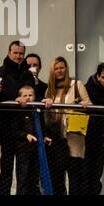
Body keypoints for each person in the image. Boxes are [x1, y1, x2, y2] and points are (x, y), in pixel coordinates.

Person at [0, 40, 36, 195]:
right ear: (9, 52)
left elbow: (32, 94)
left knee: (25, 171)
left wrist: (25, 99)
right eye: (15, 53)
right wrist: (11, 97)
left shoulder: (28, 74)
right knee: (6, 169)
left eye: (21, 53)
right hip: (6, 127)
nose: (18, 56)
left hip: (25, 127)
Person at [42, 56, 89, 196]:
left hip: (74, 138)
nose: (59, 70)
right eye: (56, 68)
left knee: (75, 178)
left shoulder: (77, 85)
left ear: (66, 68)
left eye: (62, 67)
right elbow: (45, 117)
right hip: (57, 140)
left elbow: (89, 105)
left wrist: (84, 105)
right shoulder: (49, 90)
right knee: (58, 179)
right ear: (52, 71)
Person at [83, 63, 104, 195]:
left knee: (98, 172)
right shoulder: (88, 87)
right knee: (87, 172)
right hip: (90, 135)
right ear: (98, 76)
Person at [10, 84, 44, 195]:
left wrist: (46, 136)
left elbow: (43, 127)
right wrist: (26, 135)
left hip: (36, 150)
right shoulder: (18, 111)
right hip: (23, 150)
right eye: (25, 95)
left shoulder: (37, 111)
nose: (28, 97)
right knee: (23, 178)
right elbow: (14, 129)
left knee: (34, 179)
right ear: (20, 97)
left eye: (30, 95)